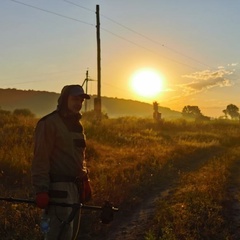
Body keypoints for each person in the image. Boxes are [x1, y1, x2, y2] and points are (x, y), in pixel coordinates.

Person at [31, 84, 92, 240]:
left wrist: (85, 179)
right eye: (74, 99)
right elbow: (40, 159)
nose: (78, 103)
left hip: (76, 190)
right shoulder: (49, 123)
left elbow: (78, 157)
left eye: (80, 100)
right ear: (64, 99)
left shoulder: (78, 126)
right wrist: (42, 190)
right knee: (56, 236)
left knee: (71, 236)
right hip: (58, 190)